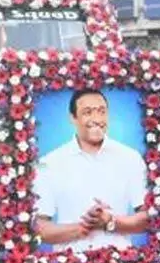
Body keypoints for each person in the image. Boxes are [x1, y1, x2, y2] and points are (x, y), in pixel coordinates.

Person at [32, 88, 149, 251]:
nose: (97, 119)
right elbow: (39, 228)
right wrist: (82, 228)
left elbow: (148, 218)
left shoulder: (130, 158)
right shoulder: (50, 163)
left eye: (102, 112)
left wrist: (110, 221)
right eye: (87, 112)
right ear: (73, 118)